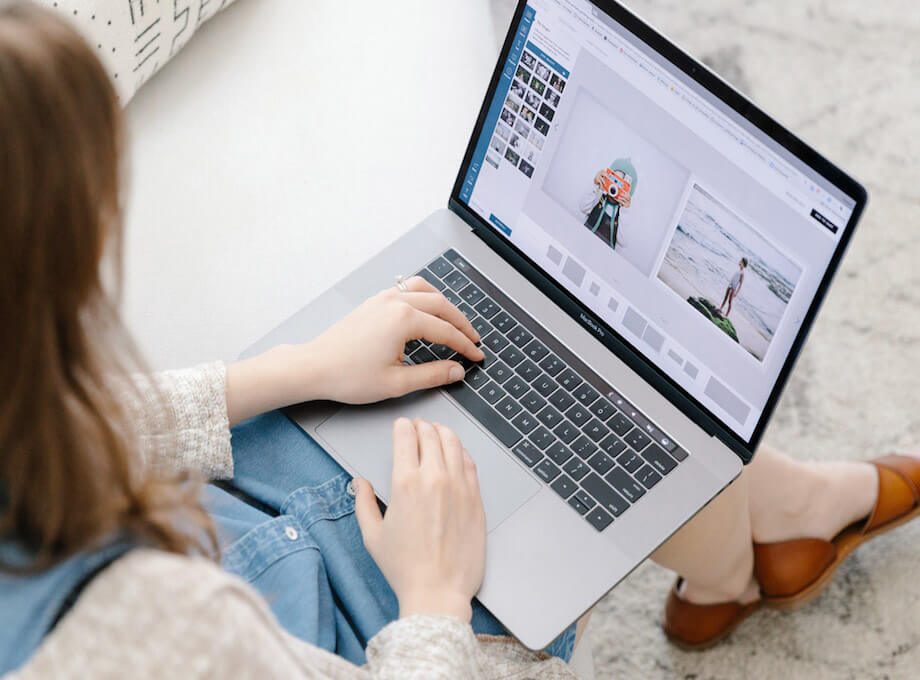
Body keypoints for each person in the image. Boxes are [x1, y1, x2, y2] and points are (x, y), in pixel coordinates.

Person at [3, 4, 920, 677]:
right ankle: (764, 546)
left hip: (216, 508)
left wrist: (296, 369)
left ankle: (776, 527)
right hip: (351, 627)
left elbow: (47, 424)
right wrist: (436, 596)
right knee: (615, 440)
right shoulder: (144, 638)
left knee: (549, 376)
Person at [582, 157, 638, 250]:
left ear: (629, 191)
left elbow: (623, 242)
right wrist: (595, 185)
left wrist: (625, 210)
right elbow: (583, 208)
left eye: (621, 185)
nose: (615, 186)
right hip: (583, 242)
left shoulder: (622, 214)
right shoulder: (599, 196)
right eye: (613, 180)